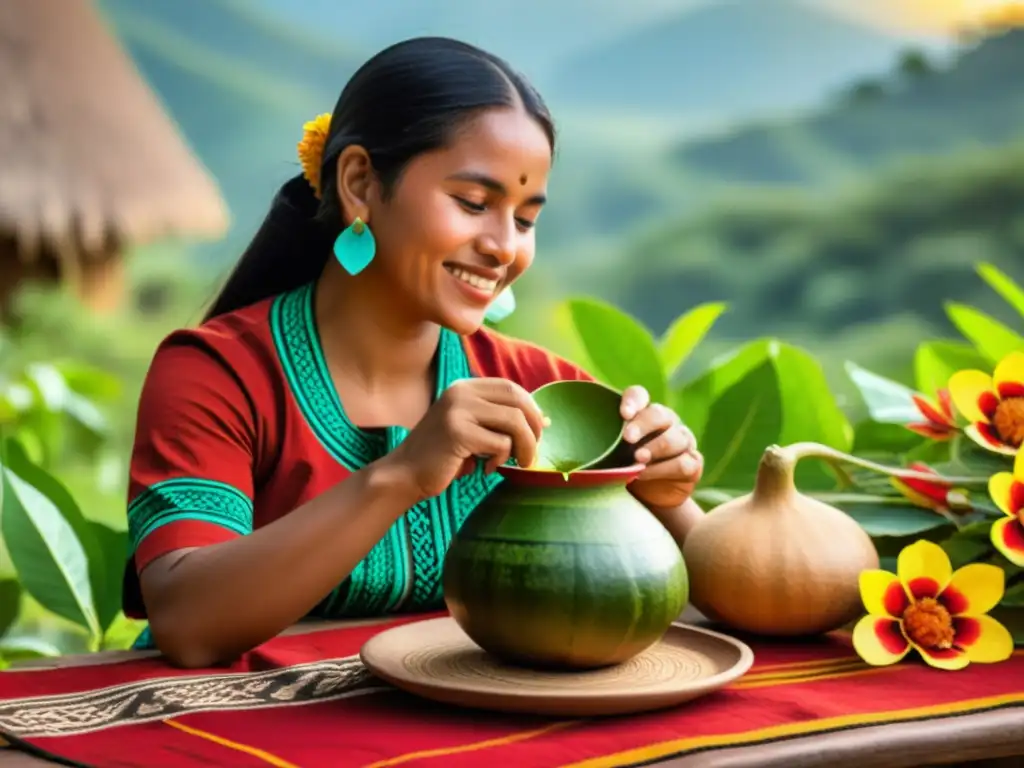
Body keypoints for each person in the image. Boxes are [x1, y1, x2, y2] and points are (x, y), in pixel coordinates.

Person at [122, 37, 705, 669]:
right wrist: (398, 477)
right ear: (359, 183)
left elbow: (720, 602)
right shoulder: (219, 373)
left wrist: (669, 503)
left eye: (526, 219)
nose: (505, 247)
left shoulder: (539, 388)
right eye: (474, 204)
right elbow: (187, 620)